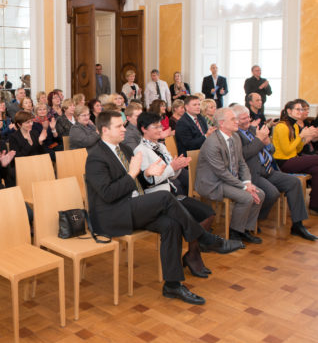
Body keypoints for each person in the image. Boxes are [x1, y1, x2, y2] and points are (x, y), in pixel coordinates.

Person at [85, 111, 242, 305]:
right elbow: (108, 194)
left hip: (132, 205)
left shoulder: (124, 148)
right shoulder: (95, 157)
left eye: (124, 125)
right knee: (164, 197)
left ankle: (172, 285)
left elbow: (136, 181)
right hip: (112, 215)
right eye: (119, 126)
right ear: (105, 130)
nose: (124, 129)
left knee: (171, 224)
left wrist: (147, 174)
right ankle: (205, 238)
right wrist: (133, 174)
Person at [135, 112, 216, 277]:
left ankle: (193, 254)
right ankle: (193, 257)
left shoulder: (161, 146)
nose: (160, 129)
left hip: (171, 194)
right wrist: (172, 167)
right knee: (189, 219)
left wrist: (178, 166)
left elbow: (171, 175)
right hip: (157, 198)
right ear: (144, 129)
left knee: (208, 214)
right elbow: (150, 181)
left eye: (160, 126)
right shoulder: (140, 151)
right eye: (155, 127)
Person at [233, 105, 315, 241]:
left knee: (294, 182)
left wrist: (267, 143)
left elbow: (270, 151)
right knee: (272, 193)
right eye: (244, 118)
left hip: (268, 169)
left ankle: (298, 225)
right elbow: (243, 155)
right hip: (252, 174)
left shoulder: (253, 130)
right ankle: (254, 220)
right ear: (235, 119)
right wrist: (259, 140)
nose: (248, 120)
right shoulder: (235, 135)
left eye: (248, 116)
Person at [196, 107, 265, 244]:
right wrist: (244, 188)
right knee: (246, 197)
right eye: (233, 119)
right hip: (213, 183)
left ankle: (245, 229)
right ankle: (234, 233)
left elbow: (242, 163)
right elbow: (221, 172)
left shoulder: (235, 137)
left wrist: (247, 182)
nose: (237, 121)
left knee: (260, 193)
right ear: (221, 123)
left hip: (228, 179)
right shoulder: (212, 142)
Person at [272, 100, 318, 213]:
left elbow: (297, 149)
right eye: (298, 109)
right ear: (289, 111)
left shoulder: (295, 126)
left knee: (317, 170)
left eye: (301, 109)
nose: (300, 111)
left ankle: (314, 206)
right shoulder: (281, 126)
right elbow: (287, 151)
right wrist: (301, 136)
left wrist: (305, 140)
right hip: (282, 162)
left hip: (293, 159)